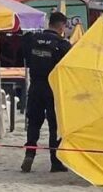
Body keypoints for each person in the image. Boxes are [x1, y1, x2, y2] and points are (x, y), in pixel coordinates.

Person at [21, 12, 72, 173]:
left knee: (34, 122)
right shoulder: (62, 44)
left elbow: (24, 56)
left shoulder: (32, 39)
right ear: (62, 26)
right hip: (52, 88)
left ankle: (29, 154)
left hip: (35, 85)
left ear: (50, 23)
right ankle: (55, 161)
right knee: (54, 125)